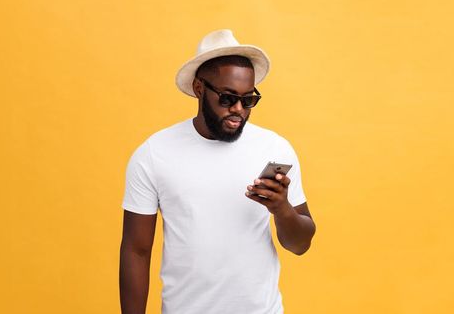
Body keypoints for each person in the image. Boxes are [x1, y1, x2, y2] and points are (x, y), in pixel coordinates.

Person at [119, 29, 317, 314]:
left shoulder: (275, 148)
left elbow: (300, 245)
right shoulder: (154, 153)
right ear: (199, 88)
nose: (238, 110)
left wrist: (282, 208)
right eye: (227, 98)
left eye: (248, 100)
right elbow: (136, 251)